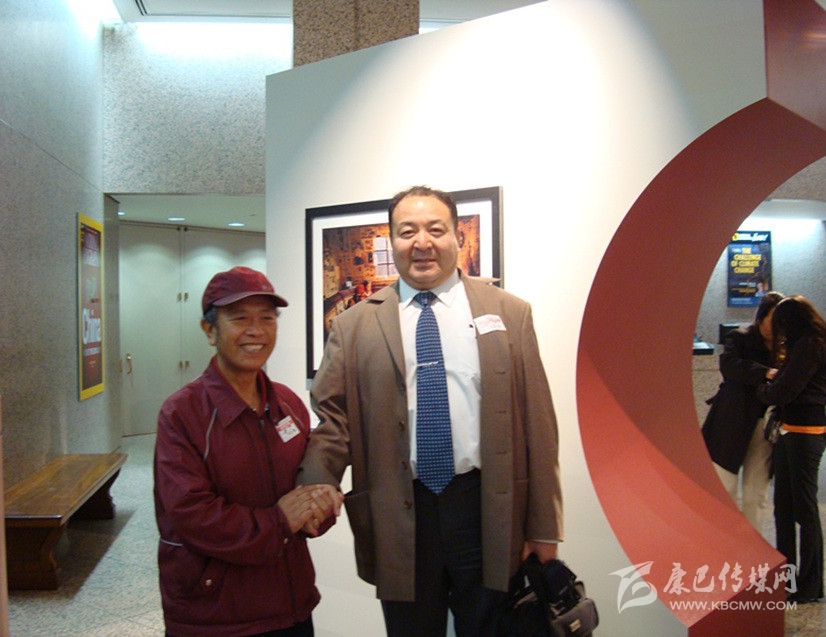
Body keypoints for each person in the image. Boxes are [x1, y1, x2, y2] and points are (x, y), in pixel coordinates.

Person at [298, 186, 563, 636]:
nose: (422, 242)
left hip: (486, 509)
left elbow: (540, 427)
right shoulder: (353, 325)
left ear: (457, 236)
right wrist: (314, 486)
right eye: (407, 232)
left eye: (435, 230)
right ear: (392, 241)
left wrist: (544, 527)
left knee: (491, 628)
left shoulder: (509, 313)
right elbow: (334, 420)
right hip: (399, 512)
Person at [154, 266, 343, 637]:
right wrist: (279, 521)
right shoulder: (182, 414)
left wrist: (320, 504)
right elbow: (191, 515)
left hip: (291, 604)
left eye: (267, 318)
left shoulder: (288, 404)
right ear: (209, 331)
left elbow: (302, 489)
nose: (256, 331)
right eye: (240, 319)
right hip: (217, 615)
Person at [757, 295, 826, 603]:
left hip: (803, 433)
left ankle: (809, 584)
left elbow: (784, 390)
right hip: (793, 431)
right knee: (784, 508)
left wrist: (764, 390)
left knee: (803, 511)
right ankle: (788, 580)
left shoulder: (810, 345)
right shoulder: (808, 344)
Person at [701, 291, 784, 533]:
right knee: (724, 485)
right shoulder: (739, 337)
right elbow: (728, 366)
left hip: (765, 426)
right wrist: (766, 373)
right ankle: (722, 540)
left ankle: (751, 542)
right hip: (732, 420)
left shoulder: (785, 347)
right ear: (761, 317)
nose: (776, 328)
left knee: (756, 492)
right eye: (772, 320)